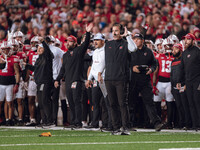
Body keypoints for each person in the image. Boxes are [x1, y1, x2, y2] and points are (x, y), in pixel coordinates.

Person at [54, 24, 93, 128]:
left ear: (75, 43)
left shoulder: (79, 51)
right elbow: (63, 69)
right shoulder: (65, 55)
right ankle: (74, 121)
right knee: (70, 103)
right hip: (68, 81)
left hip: (77, 80)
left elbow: (85, 44)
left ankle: (78, 122)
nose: (68, 43)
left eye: (70, 41)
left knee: (76, 101)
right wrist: (57, 79)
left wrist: (88, 33)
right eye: (67, 41)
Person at [101, 23, 137, 135]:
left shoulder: (126, 43)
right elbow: (104, 60)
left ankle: (126, 127)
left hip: (121, 78)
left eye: (116, 31)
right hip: (109, 78)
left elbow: (134, 48)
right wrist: (99, 72)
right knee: (112, 104)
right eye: (113, 31)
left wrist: (128, 36)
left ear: (121, 32)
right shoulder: (108, 44)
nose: (114, 33)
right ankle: (115, 127)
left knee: (122, 104)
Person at [131, 33, 164, 132]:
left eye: (138, 39)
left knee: (149, 102)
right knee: (131, 103)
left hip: (145, 80)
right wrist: (132, 68)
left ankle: (156, 123)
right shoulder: (130, 51)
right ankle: (129, 123)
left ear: (142, 40)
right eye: (134, 39)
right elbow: (125, 64)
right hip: (133, 79)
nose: (136, 41)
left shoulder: (149, 51)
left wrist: (151, 69)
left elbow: (154, 63)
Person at [25, 37, 54, 128]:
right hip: (39, 82)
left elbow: (48, 52)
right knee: (41, 102)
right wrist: (27, 66)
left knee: (45, 101)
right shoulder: (38, 59)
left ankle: (50, 121)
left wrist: (43, 42)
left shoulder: (47, 57)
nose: (39, 50)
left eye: (41, 48)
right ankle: (44, 120)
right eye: (38, 48)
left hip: (46, 81)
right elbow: (35, 69)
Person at [85, 33, 111, 130]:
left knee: (106, 103)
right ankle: (94, 122)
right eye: (94, 40)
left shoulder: (106, 51)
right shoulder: (95, 52)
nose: (95, 42)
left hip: (103, 80)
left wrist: (99, 75)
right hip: (96, 80)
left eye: (98, 40)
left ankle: (108, 124)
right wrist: (89, 79)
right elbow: (93, 67)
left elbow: (103, 66)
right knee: (95, 102)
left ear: (103, 41)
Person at [177, 33, 200, 130]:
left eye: (188, 39)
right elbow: (182, 68)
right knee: (190, 103)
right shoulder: (185, 53)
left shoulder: (198, 51)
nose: (186, 41)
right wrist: (180, 81)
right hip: (188, 81)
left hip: (197, 80)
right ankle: (194, 124)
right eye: (185, 39)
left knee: (197, 102)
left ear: (193, 41)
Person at [153, 38, 175, 129]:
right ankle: (158, 122)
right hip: (160, 82)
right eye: (167, 45)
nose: (168, 47)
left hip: (170, 82)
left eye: (170, 45)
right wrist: (154, 85)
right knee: (156, 102)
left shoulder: (175, 57)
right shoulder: (159, 56)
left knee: (170, 103)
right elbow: (155, 71)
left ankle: (169, 123)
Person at [171, 43, 191, 129]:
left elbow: (186, 73)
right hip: (175, 86)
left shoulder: (184, 60)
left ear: (180, 49)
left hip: (183, 85)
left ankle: (188, 123)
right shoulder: (173, 61)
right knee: (178, 105)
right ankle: (181, 123)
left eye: (176, 49)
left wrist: (185, 83)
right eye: (173, 49)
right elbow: (172, 74)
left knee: (185, 105)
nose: (174, 51)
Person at [45, 35, 64, 126]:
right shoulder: (55, 49)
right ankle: (52, 120)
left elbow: (66, 57)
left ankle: (51, 120)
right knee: (53, 100)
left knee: (50, 99)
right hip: (53, 77)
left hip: (53, 77)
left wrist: (62, 71)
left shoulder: (56, 49)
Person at [0, 41, 20, 126]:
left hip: (10, 83)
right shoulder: (0, 58)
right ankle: (3, 119)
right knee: (1, 102)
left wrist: (17, 84)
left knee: (9, 102)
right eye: (4, 49)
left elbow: (17, 72)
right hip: (1, 83)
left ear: (10, 49)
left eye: (7, 49)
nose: (5, 51)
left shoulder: (14, 58)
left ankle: (9, 119)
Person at [25, 36, 39, 126]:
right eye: (32, 43)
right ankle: (32, 119)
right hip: (32, 78)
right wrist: (26, 79)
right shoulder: (29, 53)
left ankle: (43, 119)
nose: (33, 45)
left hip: (41, 78)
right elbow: (28, 66)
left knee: (42, 100)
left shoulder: (42, 52)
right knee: (31, 99)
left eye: (35, 43)